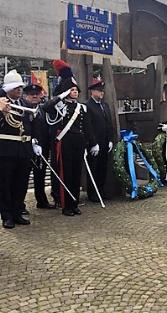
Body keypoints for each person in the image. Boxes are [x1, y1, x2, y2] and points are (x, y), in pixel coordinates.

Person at [43, 60, 97, 216]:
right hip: (65, 143)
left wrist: (93, 143)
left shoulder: (82, 107)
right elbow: (46, 107)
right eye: (72, 90)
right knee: (65, 173)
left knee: (76, 174)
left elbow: (88, 127)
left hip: (78, 143)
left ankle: (74, 203)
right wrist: (61, 96)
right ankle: (66, 205)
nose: (75, 92)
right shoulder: (60, 106)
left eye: (76, 90)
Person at [0, 70, 37, 228]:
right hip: (6, 150)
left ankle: (17, 211)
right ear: (8, 89)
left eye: (20, 87)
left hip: (24, 149)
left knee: (21, 183)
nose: (19, 90)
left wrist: (35, 141)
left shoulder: (24, 104)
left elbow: (31, 125)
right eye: (16, 88)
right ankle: (6, 215)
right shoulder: (2, 103)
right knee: (5, 184)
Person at [22, 84, 55, 209]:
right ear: (25, 96)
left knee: (40, 175)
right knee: (23, 178)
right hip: (26, 148)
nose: (35, 96)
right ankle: (20, 205)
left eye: (37, 94)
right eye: (31, 94)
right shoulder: (22, 109)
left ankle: (42, 200)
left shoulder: (42, 110)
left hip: (42, 148)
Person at [86, 78, 114, 203]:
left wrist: (110, 140)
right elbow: (89, 127)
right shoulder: (88, 106)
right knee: (94, 168)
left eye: (102, 91)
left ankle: (101, 190)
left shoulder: (105, 105)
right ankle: (93, 193)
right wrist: (92, 143)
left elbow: (109, 124)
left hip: (104, 142)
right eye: (98, 90)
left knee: (103, 168)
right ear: (92, 92)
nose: (101, 93)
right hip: (94, 143)